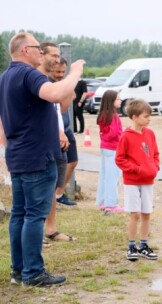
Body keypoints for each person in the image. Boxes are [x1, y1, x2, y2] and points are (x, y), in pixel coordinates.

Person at [0, 32, 85, 287]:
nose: (41, 52)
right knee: (35, 216)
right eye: (38, 47)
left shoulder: (5, 77)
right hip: (37, 156)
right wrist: (76, 72)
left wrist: (12, 145)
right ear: (25, 50)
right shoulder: (29, 74)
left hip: (18, 155)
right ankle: (33, 273)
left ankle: (19, 271)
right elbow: (56, 93)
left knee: (19, 214)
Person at [38, 43, 77, 244]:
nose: (57, 59)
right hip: (40, 145)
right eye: (54, 55)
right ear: (40, 54)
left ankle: (50, 229)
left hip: (56, 139)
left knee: (52, 186)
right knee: (40, 190)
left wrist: (61, 131)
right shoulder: (38, 81)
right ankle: (39, 233)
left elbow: (57, 110)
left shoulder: (47, 83)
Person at [115, 99, 160, 261]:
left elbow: (155, 154)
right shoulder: (126, 136)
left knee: (147, 213)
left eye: (150, 116)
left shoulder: (150, 133)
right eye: (145, 116)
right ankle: (131, 245)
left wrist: (154, 167)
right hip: (132, 181)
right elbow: (120, 159)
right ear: (134, 117)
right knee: (135, 214)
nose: (149, 119)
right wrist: (137, 169)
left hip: (148, 180)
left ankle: (144, 245)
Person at [52, 58, 80, 206]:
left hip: (66, 127)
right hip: (58, 128)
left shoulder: (63, 84)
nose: (60, 74)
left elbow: (72, 96)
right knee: (60, 162)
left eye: (63, 71)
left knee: (72, 161)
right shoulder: (49, 85)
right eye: (58, 71)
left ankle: (59, 193)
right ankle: (54, 196)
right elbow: (61, 105)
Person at [96, 90, 123, 214]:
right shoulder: (113, 116)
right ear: (111, 101)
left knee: (104, 176)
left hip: (105, 147)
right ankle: (111, 204)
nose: (120, 101)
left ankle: (102, 202)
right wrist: (120, 136)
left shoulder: (104, 115)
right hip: (112, 148)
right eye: (118, 99)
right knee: (113, 177)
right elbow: (113, 133)